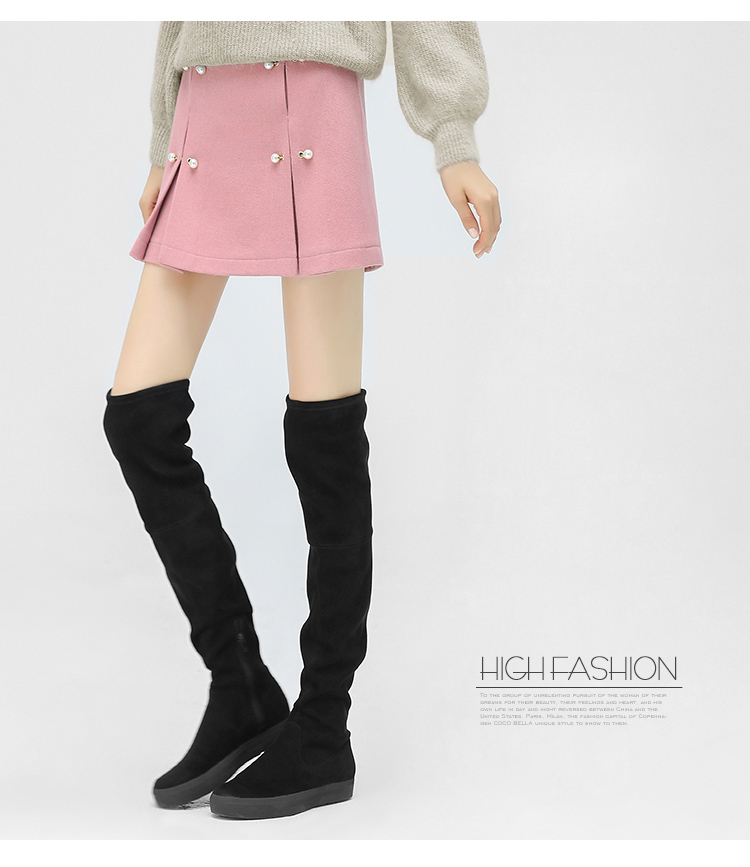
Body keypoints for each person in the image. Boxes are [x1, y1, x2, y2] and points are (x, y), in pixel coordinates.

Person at [102, 20, 501, 820]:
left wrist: (453, 135)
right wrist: (160, 142)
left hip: (309, 106)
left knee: (324, 432)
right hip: (204, 115)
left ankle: (323, 722)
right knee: (138, 419)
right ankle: (241, 683)